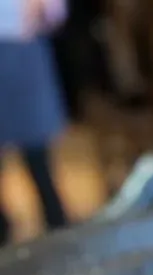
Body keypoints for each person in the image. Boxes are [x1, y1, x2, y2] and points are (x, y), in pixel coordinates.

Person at [0, 0, 69, 245]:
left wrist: (43, 8)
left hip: (23, 50)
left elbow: (53, 12)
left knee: (38, 153)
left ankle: (56, 221)